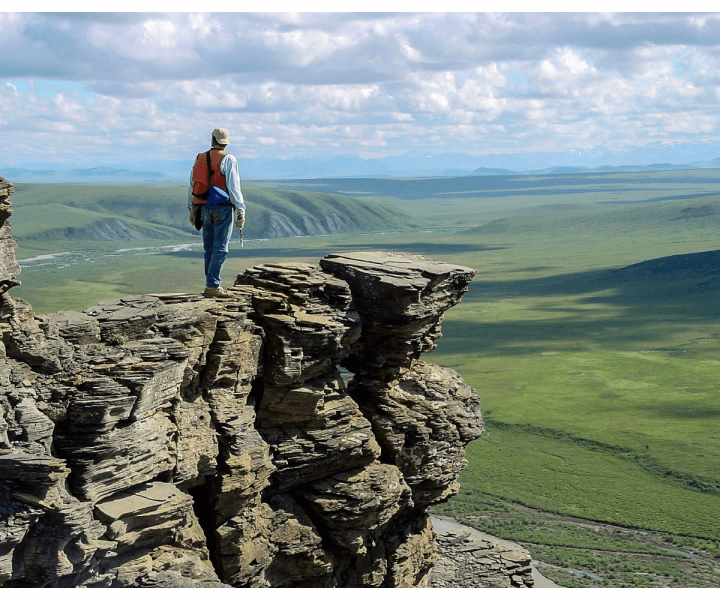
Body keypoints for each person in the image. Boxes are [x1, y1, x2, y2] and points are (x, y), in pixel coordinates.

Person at [188, 127, 246, 298]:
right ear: (225, 143)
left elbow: (192, 185)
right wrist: (241, 211)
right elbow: (234, 187)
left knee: (209, 248)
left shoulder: (199, 158)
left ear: (212, 140)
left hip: (204, 206)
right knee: (220, 248)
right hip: (223, 207)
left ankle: (210, 284)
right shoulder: (229, 159)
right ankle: (213, 285)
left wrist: (192, 208)